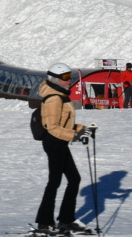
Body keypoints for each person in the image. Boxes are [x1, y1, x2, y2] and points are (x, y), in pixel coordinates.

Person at [35, 62, 89, 235]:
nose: (69, 80)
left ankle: (66, 219)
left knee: (74, 179)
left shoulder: (60, 95)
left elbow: (64, 123)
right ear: (55, 79)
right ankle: (45, 222)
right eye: (65, 77)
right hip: (54, 142)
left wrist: (81, 129)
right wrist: (73, 135)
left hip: (59, 141)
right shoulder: (54, 99)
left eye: (70, 77)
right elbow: (52, 127)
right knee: (55, 181)